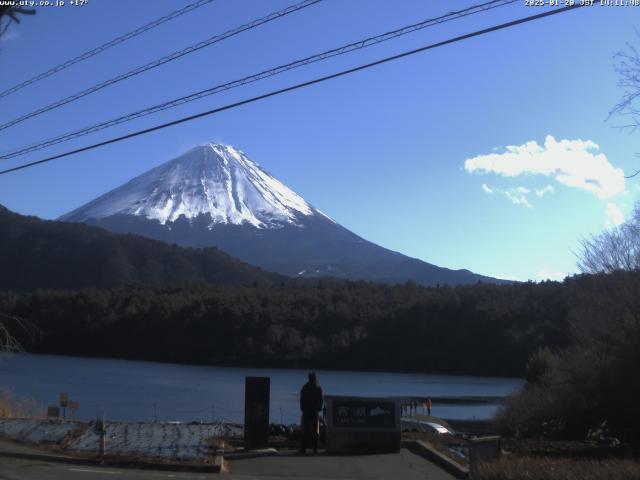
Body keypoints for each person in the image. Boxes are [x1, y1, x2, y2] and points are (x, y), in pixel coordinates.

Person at [299, 371, 323, 454]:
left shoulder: (305, 387)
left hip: (307, 410)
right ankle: (314, 449)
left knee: (305, 430)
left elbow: (301, 399)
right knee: (314, 430)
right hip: (313, 410)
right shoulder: (318, 387)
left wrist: (302, 408)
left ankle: (304, 448)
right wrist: (319, 408)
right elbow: (321, 399)